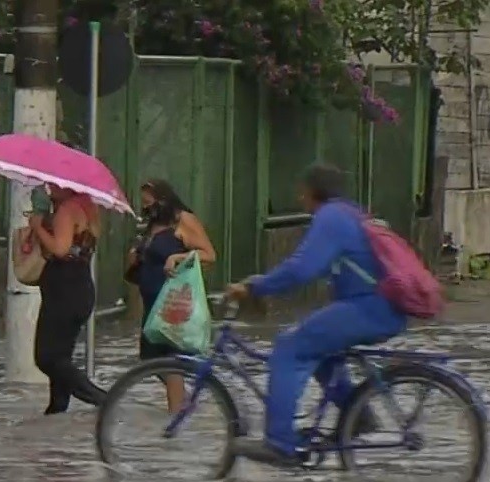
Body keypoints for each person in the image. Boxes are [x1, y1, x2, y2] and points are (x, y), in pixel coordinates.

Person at [225, 163, 404, 465]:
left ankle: (279, 443)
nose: (299, 199)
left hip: (369, 308)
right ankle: (356, 415)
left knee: (288, 348)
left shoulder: (331, 217)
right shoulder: (350, 213)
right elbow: (315, 267)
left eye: (302, 191)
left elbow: (301, 269)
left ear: (312, 191)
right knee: (319, 351)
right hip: (380, 308)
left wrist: (256, 287)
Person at [126, 180, 216, 413]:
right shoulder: (149, 226)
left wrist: (177, 258)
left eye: (150, 201)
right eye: (144, 203)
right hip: (150, 300)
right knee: (150, 359)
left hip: (172, 300)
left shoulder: (182, 219)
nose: (147, 207)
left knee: (169, 358)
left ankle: (176, 416)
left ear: (163, 199)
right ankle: (187, 403)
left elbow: (209, 254)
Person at [29, 185, 108, 415]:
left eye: (52, 183)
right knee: (61, 356)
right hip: (81, 285)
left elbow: (60, 249)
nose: (48, 187)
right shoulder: (89, 207)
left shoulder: (66, 210)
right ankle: (57, 410)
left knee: (46, 357)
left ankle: (102, 399)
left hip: (64, 289)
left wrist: (38, 227)